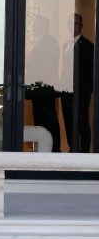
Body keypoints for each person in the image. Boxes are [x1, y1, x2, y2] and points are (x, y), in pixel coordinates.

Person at [26, 15, 61, 151]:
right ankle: (43, 149)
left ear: (45, 27)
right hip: (39, 90)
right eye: (34, 25)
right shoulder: (39, 42)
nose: (34, 28)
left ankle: (53, 149)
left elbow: (46, 64)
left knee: (48, 120)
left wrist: (30, 60)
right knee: (41, 120)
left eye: (37, 25)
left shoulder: (50, 42)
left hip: (44, 90)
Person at [60, 13, 94, 152]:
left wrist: (86, 92)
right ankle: (72, 148)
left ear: (81, 25)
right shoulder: (66, 45)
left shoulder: (88, 46)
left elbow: (90, 72)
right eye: (70, 23)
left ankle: (85, 151)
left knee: (82, 123)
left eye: (75, 23)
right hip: (66, 91)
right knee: (68, 122)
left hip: (80, 93)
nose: (72, 25)